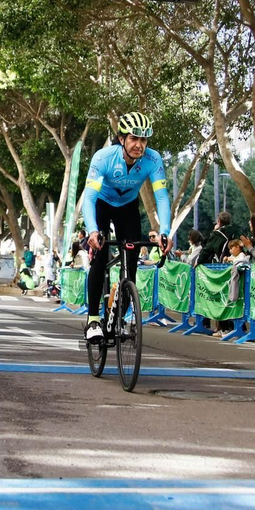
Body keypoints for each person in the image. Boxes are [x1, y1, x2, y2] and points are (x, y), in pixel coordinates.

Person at [81, 113, 173, 342]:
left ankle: (119, 316)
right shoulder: (103, 158)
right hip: (102, 204)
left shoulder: (153, 160)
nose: (139, 145)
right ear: (122, 138)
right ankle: (93, 319)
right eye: (134, 138)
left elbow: (161, 198)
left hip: (128, 206)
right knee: (101, 258)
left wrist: (165, 232)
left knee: (131, 260)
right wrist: (93, 230)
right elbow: (89, 198)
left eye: (143, 140)